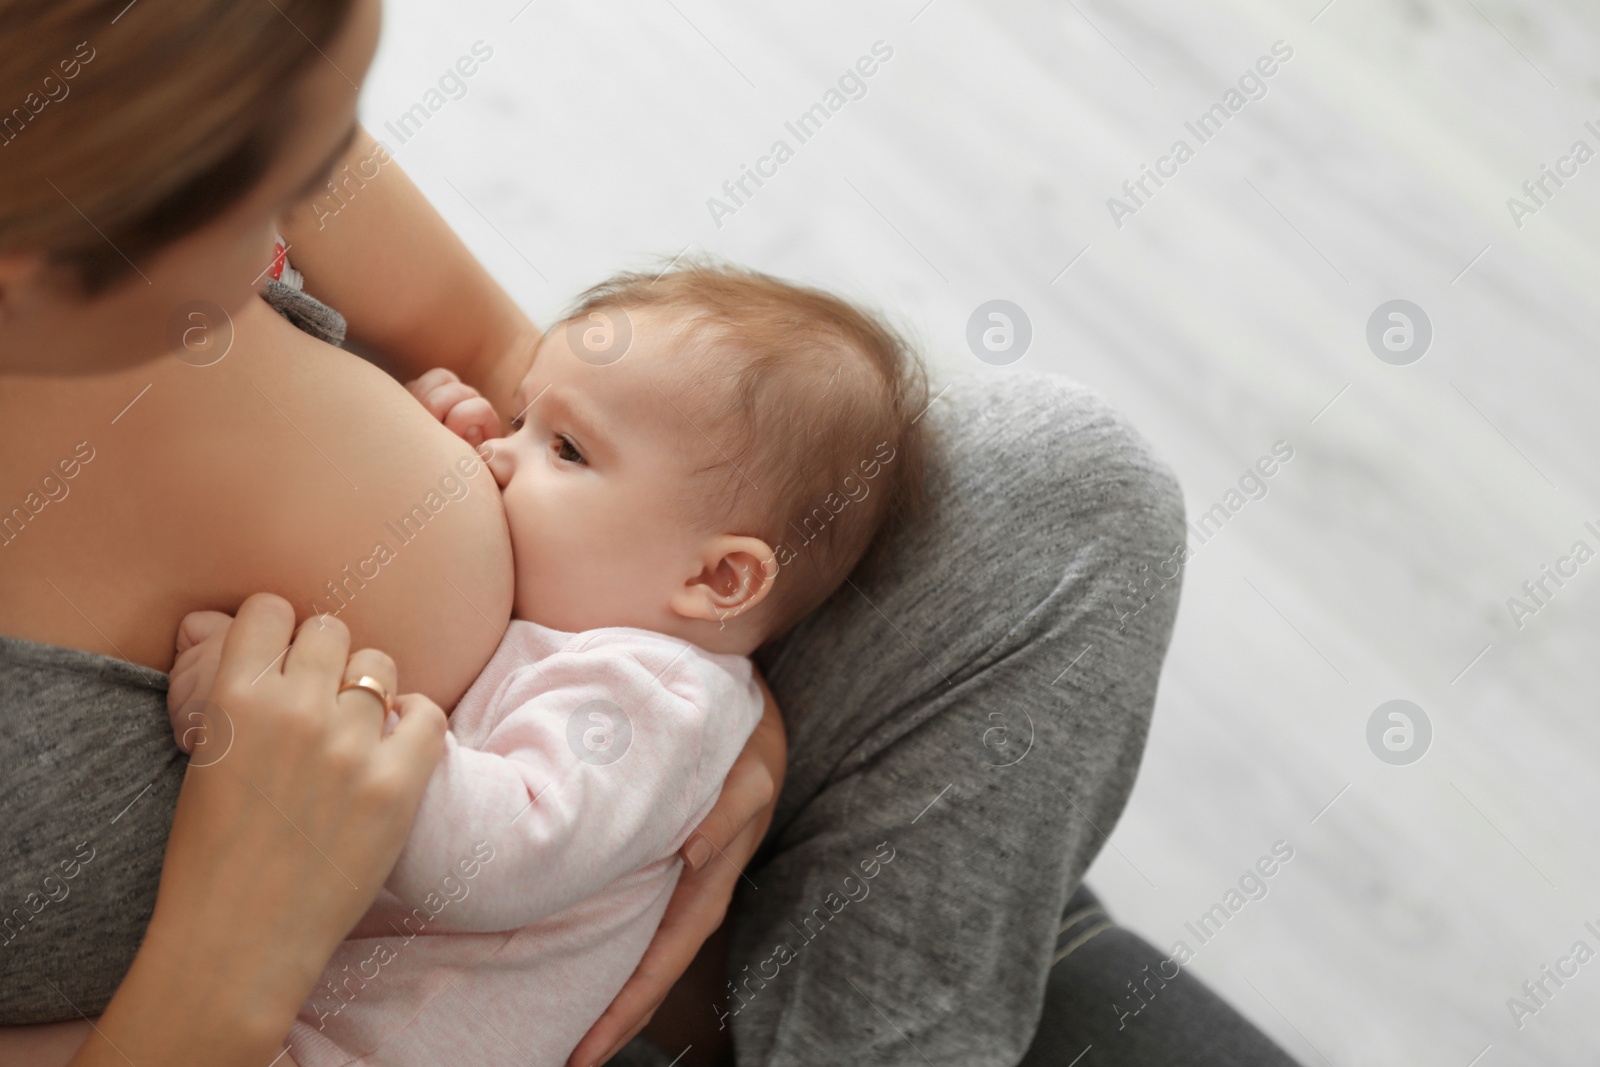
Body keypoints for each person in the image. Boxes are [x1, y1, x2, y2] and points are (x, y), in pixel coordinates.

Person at [0, 0, 1295, 1064]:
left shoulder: (177, 50)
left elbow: (518, 356)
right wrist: (227, 957)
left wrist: (716, 694)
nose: (299, 224)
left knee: (1053, 484)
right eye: (256, 205)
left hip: (661, 821)